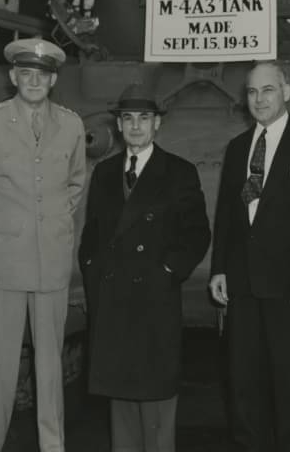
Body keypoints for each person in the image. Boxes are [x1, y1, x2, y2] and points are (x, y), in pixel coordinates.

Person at [208, 61, 290, 452]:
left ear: (286, 92)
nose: (259, 99)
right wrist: (218, 269)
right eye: (252, 92)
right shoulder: (237, 149)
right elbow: (229, 216)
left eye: (268, 90)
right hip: (244, 286)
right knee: (244, 384)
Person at [0, 37, 87, 452]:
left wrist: (48, 224)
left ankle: (53, 445)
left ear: (53, 81)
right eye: (27, 74)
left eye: (43, 75)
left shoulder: (71, 125)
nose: (34, 81)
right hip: (0, 264)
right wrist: (0, 230)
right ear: (14, 76)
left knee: (49, 366)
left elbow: (74, 184)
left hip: (50, 261)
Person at [78, 83, 212, 452]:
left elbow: (198, 233)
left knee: (156, 400)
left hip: (154, 299)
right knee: (119, 401)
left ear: (157, 125)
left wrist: (168, 271)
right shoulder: (105, 173)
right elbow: (93, 233)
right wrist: (92, 272)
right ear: (119, 126)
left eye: (144, 118)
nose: (136, 126)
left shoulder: (179, 171)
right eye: (128, 118)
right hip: (113, 300)